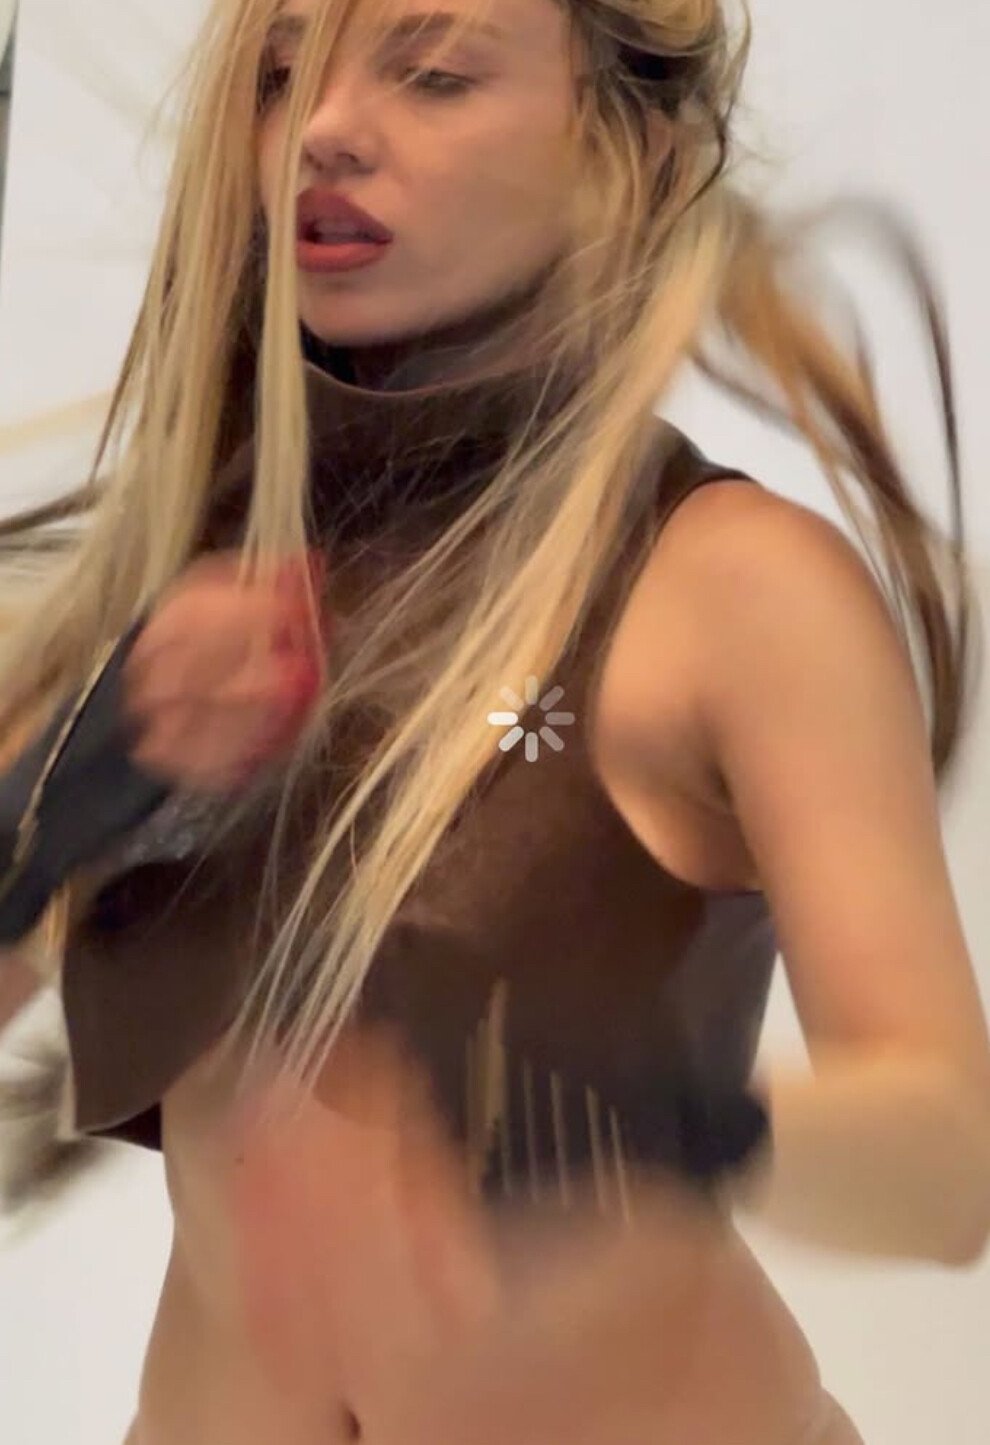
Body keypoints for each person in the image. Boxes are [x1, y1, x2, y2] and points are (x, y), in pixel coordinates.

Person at [1, 0, 989, 1440]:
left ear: (626, 149)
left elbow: (948, 1169)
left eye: (433, 73)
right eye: (281, 75)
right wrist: (50, 810)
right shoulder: (172, 581)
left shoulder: (732, 587)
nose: (324, 130)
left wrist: (638, 1120)